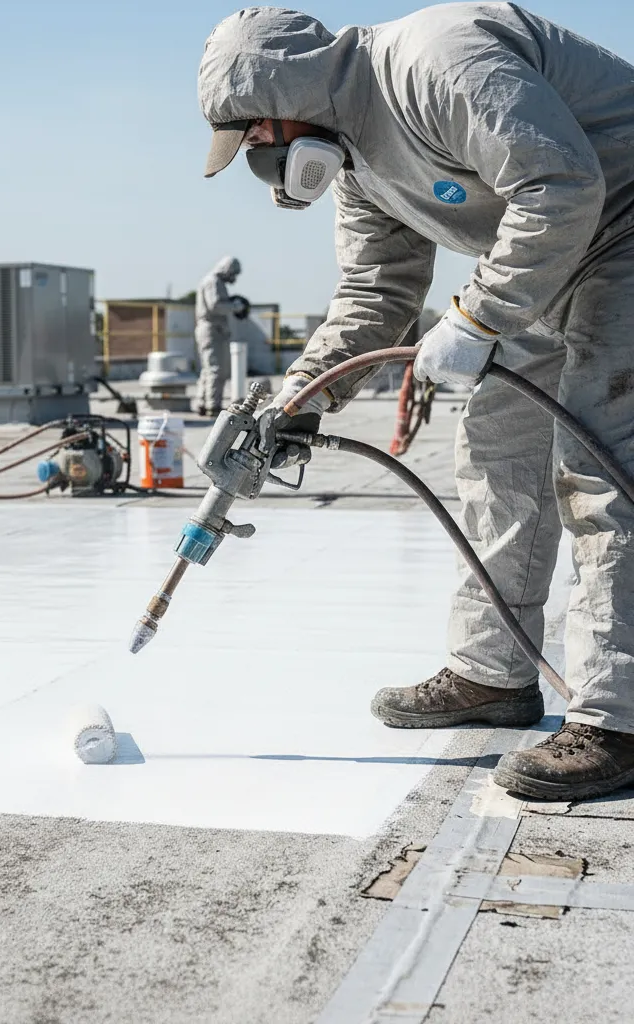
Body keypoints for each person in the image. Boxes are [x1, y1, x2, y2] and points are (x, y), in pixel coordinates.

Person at [199, 5, 634, 801]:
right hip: (544, 263)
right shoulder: (356, 164)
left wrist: (475, 317)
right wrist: (301, 398)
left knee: (600, 469)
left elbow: (562, 183)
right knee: (500, 453)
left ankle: (619, 720)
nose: (261, 158)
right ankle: (493, 674)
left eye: (255, 138)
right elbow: (376, 291)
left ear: (285, 92)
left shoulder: (436, 61)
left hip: (621, 226)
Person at [194, 256, 241, 416]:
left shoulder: (213, 281)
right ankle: (213, 405)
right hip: (211, 328)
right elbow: (215, 305)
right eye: (233, 273)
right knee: (216, 369)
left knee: (208, 369)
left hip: (210, 328)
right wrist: (234, 306)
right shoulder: (213, 282)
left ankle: (202, 402)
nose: (233, 278)